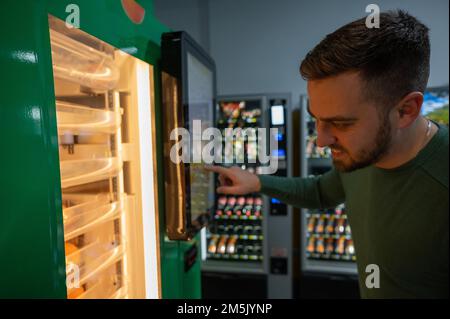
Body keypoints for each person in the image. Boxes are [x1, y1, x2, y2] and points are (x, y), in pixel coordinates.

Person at [206, 10, 449, 299]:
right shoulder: (361, 158)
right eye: (316, 119)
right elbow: (321, 191)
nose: (321, 140)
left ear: (405, 110)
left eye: (341, 123)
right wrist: (258, 183)